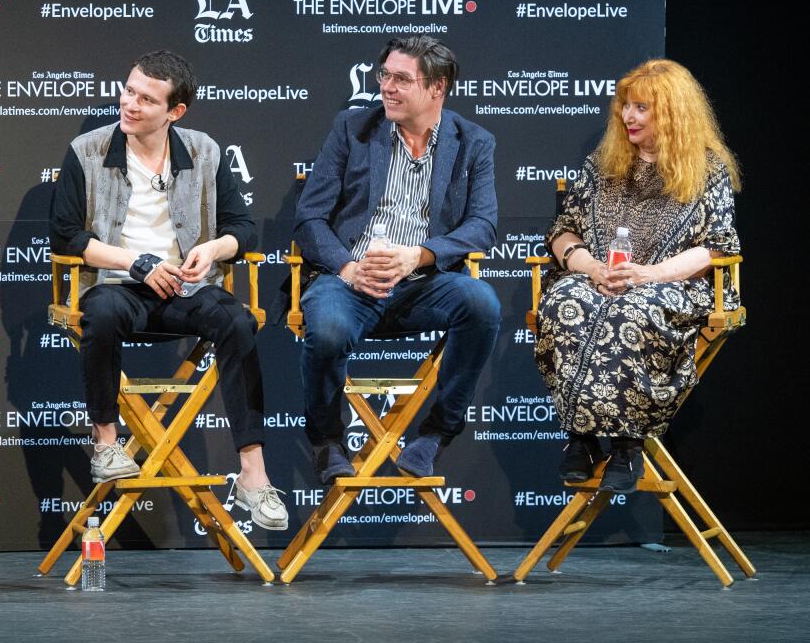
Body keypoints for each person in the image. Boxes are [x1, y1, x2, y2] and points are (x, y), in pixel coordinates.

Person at [49, 50, 288, 531]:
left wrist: (214, 249)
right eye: (129, 90)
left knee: (238, 321)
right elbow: (65, 235)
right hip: (118, 285)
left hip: (188, 289)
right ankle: (105, 442)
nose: (130, 104)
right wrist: (134, 262)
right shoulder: (88, 151)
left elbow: (245, 228)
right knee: (103, 313)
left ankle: (253, 475)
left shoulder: (204, 151)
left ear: (175, 112)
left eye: (146, 99)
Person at [295, 35, 500, 484]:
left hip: (423, 283)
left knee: (482, 304)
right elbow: (309, 217)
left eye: (402, 79)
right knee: (327, 331)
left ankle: (434, 435)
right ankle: (328, 442)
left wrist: (420, 256)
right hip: (349, 280)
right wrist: (348, 268)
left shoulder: (473, 142)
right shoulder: (352, 128)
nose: (387, 86)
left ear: (437, 88)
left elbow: (482, 224)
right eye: (384, 75)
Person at [535, 59, 741, 493]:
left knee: (632, 310)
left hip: (670, 286)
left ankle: (628, 445)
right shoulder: (604, 163)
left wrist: (647, 274)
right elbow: (563, 231)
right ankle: (584, 438)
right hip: (599, 277)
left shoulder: (708, 170)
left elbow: (717, 247)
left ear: (671, 112)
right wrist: (590, 266)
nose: (628, 116)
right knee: (566, 302)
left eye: (641, 108)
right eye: (626, 107)